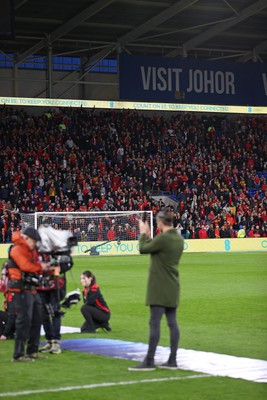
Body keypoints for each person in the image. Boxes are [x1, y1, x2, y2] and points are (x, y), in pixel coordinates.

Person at [128, 209, 184, 371]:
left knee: (154, 323)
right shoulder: (177, 238)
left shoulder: (164, 238)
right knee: (172, 323)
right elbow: (158, 249)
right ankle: (172, 360)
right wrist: (150, 237)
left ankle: (149, 361)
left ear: (160, 222)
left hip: (159, 287)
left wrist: (143, 233)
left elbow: (143, 249)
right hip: (173, 285)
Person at [7, 227, 51, 362]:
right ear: (26, 238)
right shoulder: (17, 249)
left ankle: (32, 351)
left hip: (30, 289)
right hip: (20, 290)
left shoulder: (27, 250)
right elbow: (26, 266)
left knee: (37, 320)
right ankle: (18, 354)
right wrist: (41, 267)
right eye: (34, 241)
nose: (35, 244)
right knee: (23, 322)